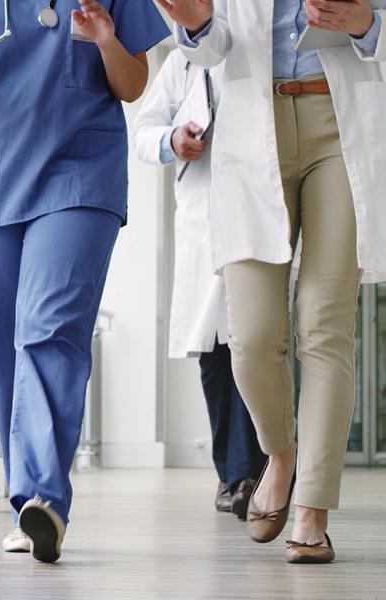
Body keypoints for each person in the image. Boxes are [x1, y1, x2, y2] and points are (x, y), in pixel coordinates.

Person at [158, 0, 386, 563]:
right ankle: (281, 455)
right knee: (252, 336)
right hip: (250, 128)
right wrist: (196, 23)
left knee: (325, 326)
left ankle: (312, 508)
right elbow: (209, 51)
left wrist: (365, 23)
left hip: (340, 124)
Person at [0, 0, 168, 562]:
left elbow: (133, 83)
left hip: (79, 171)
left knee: (50, 328)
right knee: (0, 352)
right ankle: (29, 502)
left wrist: (105, 41)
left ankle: (43, 497)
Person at [133, 49, 266, 521]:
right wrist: (173, 139)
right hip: (203, 220)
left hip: (257, 214)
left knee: (254, 345)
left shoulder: (262, 48)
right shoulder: (182, 64)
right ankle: (234, 474)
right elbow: (143, 134)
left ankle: (251, 472)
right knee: (215, 355)